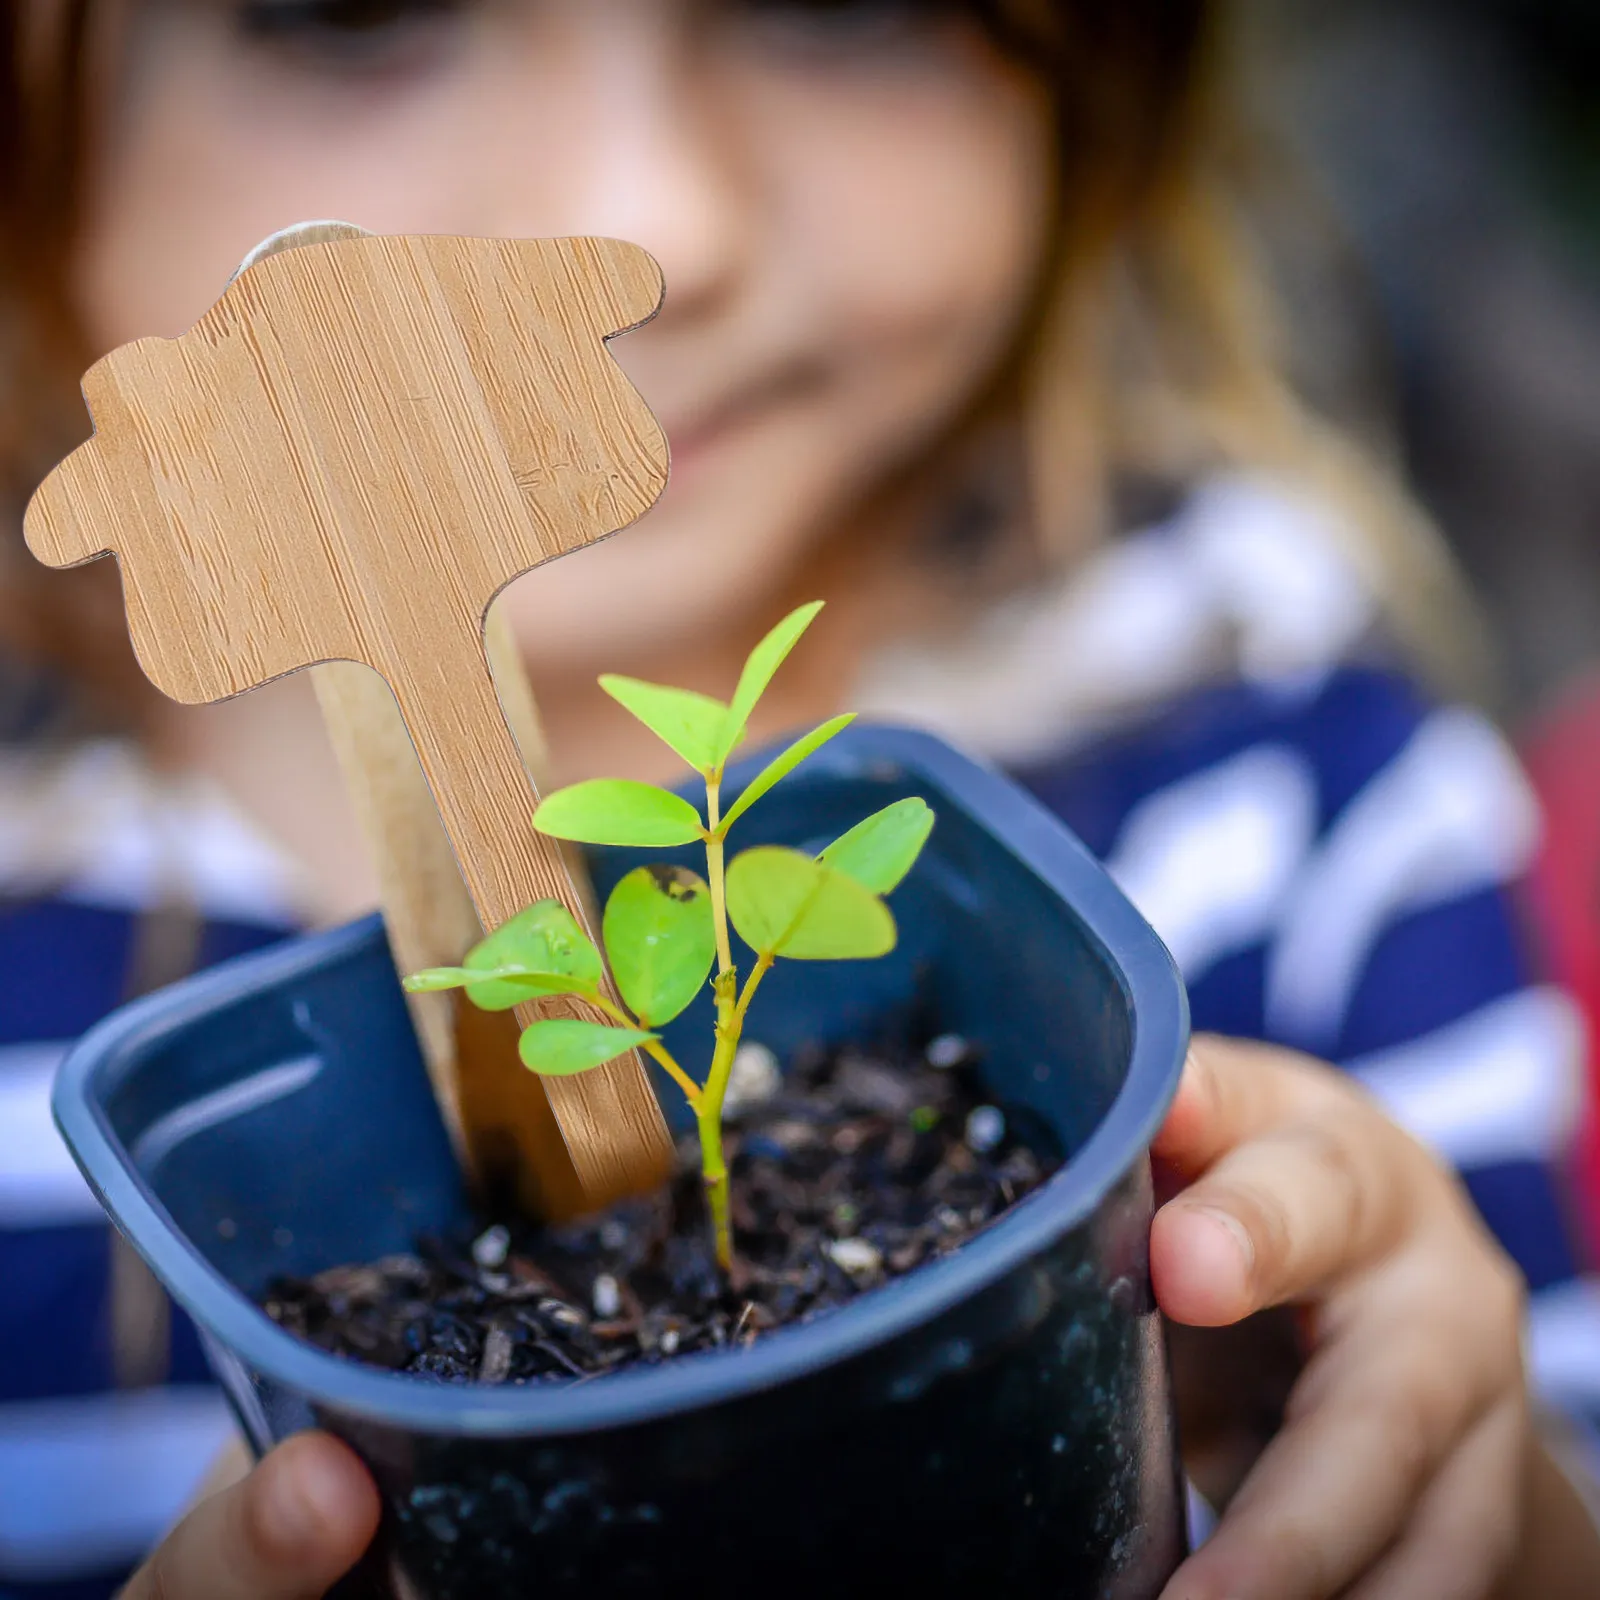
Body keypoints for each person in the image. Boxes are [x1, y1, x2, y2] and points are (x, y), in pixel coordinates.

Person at [0, 2, 1595, 1596]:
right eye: (356, 13)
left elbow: (1529, 1459)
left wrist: (1475, 1512)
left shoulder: (1272, 745)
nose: (658, 220)